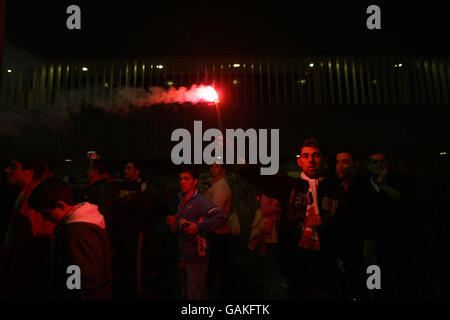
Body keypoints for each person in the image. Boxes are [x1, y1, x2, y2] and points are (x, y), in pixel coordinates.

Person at [240, 137, 341, 299]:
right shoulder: (290, 186)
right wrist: (241, 162)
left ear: (324, 161)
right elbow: (262, 178)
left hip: (326, 261)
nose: (311, 161)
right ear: (299, 162)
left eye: (316, 155)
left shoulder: (336, 189)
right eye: (306, 156)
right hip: (295, 260)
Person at [27, 178, 113, 299]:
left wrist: (71, 293)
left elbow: (79, 270)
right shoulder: (84, 224)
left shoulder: (78, 232)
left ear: (60, 205)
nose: (45, 219)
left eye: (46, 213)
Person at [166, 166, 228, 300]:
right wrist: (174, 222)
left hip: (196, 254)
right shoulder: (182, 200)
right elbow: (183, 224)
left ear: (194, 181)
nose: (182, 182)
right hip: (184, 254)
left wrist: (199, 227)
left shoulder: (200, 200)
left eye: (186, 179)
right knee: (188, 292)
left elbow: (221, 217)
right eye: (180, 179)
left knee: (196, 294)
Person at [0, 156, 56, 299]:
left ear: (29, 172)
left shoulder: (34, 197)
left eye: (13, 167)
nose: (7, 170)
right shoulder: (26, 193)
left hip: (25, 274)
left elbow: (32, 241)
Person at [364, 151, 416, 299]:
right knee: (375, 285)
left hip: (396, 243)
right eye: (375, 162)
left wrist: (383, 185)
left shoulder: (399, 180)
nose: (380, 165)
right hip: (373, 245)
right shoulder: (365, 185)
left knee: (399, 284)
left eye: (382, 161)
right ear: (368, 166)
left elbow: (402, 200)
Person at [334, 151, 373, 300]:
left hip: (364, 250)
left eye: (344, 162)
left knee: (368, 290)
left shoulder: (365, 187)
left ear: (355, 164)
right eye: (337, 162)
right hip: (345, 251)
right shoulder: (338, 188)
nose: (340, 166)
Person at [112, 161, 154, 298]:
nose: (126, 171)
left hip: (135, 231)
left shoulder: (142, 186)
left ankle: (135, 292)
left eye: (129, 168)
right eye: (125, 168)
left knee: (134, 263)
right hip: (121, 231)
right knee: (121, 262)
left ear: (137, 171)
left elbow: (145, 208)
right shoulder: (120, 185)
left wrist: (131, 200)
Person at [206, 162, 233, 299]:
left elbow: (214, 211)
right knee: (217, 264)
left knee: (219, 266)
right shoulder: (216, 185)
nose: (212, 168)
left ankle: (220, 293)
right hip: (217, 231)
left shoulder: (221, 186)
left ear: (223, 170)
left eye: (217, 166)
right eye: (212, 165)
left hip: (220, 233)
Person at [82, 160, 116, 235]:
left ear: (95, 171)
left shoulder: (101, 188)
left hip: (95, 229)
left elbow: (104, 212)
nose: (87, 172)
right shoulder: (96, 187)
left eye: (89, 170)